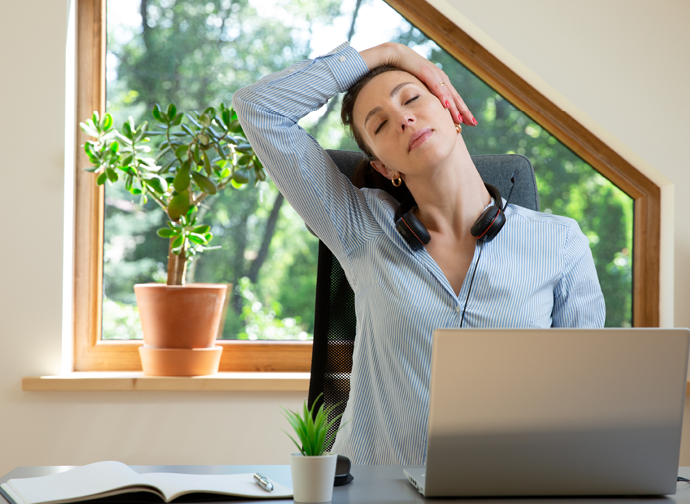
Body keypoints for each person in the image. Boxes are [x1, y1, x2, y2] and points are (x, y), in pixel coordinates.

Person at [233, 41, 605, 465]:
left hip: (505, 486)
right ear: (384, 168)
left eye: (412, 98)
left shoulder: (560, 243)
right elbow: (258, 108)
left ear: (450, 108)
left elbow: (582, 403)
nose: (404, 119)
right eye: (380, 125)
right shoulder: (359, 227)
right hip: (375, 491)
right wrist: (389, 53)